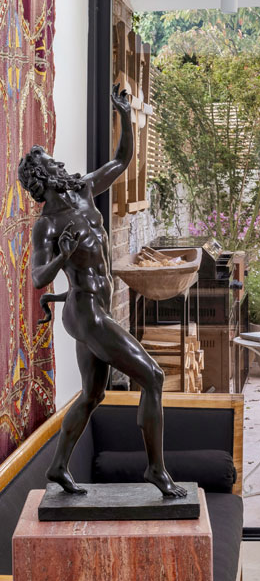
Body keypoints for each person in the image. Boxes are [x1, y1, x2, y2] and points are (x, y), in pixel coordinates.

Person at [21, 84, 186, 499]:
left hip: (93, 310)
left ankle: (58, 467)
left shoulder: (82, 190)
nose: (60, 163)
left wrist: (124, 115)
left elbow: (121, 160)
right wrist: (63, 256)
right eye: (51, 162)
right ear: (43, 177)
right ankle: (156, 471)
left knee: (93, 394)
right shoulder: (48, 225)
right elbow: (39, 276)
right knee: (153, 376)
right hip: (87, 312)